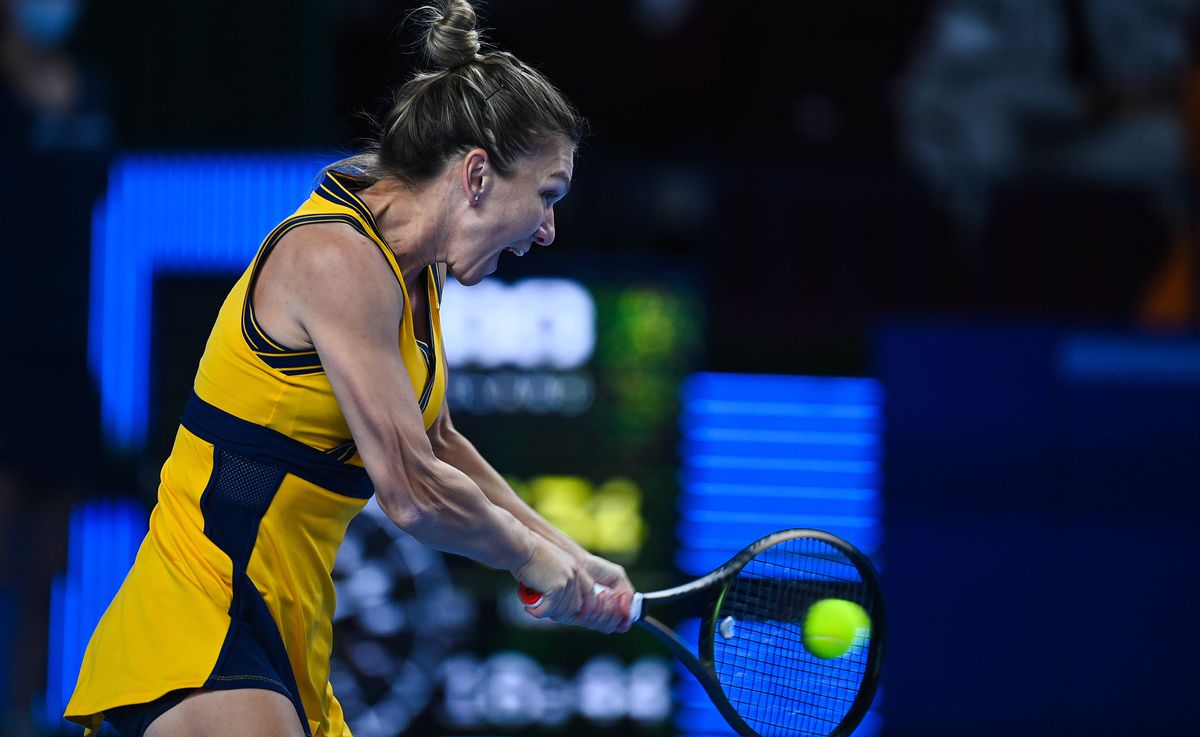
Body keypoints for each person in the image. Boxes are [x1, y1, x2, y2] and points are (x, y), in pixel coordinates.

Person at [64, 2, 634, 735]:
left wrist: (571, 554)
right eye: (547, 195)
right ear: (477, 175)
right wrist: (527, 557)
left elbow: (438, 445)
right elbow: (413, 490)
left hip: (288, 634)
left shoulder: (414, 270)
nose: (549, 229)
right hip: (202, 615)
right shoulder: (336, 258)